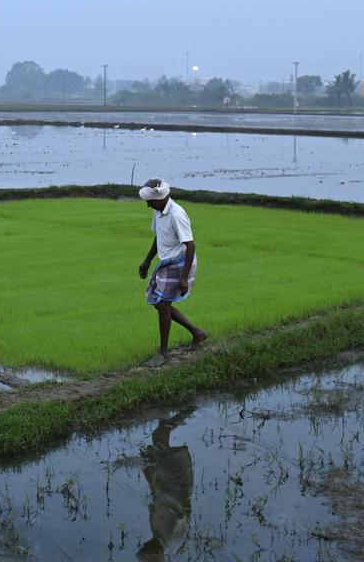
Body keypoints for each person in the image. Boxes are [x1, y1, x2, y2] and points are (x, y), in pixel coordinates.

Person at [137, 179, 208, 366]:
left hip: (181, 263)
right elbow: (159, 236)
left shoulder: (177, 214)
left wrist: (184, 278)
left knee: (162, 304)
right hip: (167, 262)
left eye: (150, 201)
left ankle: (163, 354)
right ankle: (197, 333)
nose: (147, 204)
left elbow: (190, 245)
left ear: (161, 198)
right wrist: (147, 260)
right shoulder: (158, 210)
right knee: (160, 304)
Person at [136, 409, 195, 561]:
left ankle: (171, 412)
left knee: (159, 437)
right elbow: (184, 512)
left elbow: (155, 497)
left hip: (168, 481)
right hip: (175, 481)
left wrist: (148, 471)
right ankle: (185, 409)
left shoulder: (158, 535)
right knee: (159, 437)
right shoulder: (170, 536)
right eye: (144, 548)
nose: (143, 544)